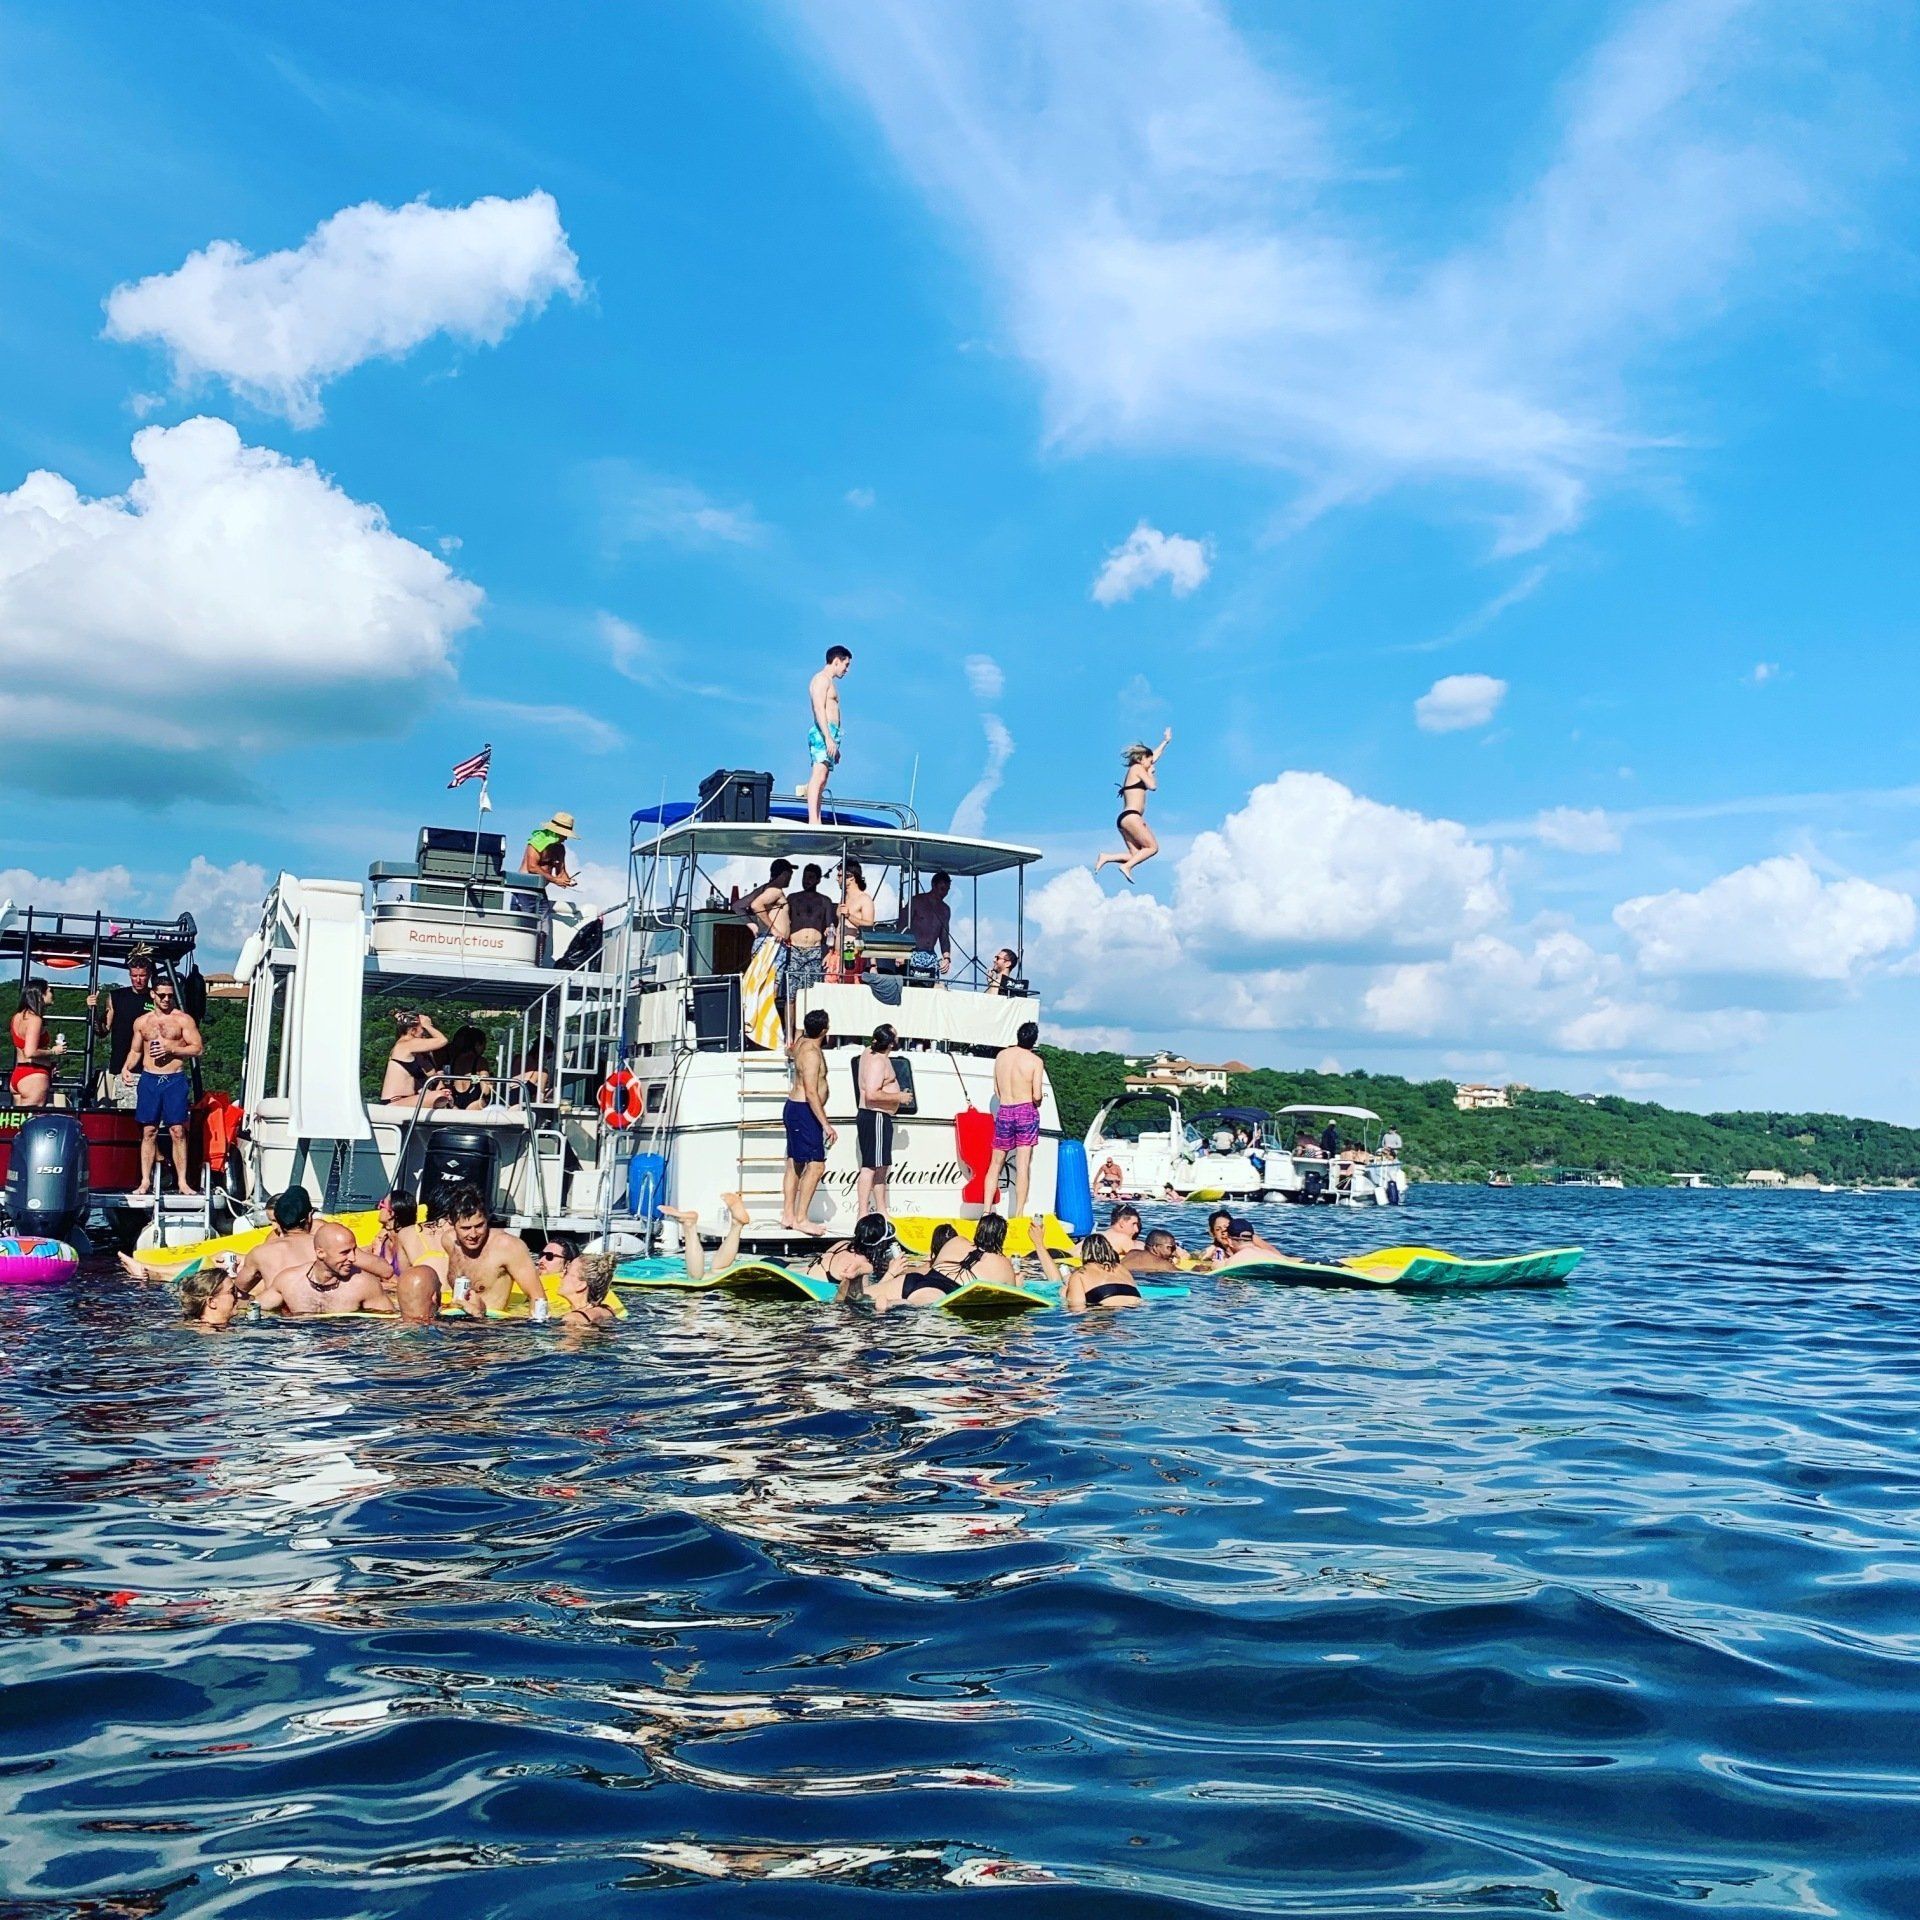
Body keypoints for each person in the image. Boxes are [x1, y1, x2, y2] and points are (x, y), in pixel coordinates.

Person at [122, 976, 203, 1199]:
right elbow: (136, 1050)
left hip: (174, 1079)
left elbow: (197, 1048)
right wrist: (127, 1067)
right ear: (153, 995)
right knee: (148, 1130)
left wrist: (172, 1049)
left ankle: (182, 1181)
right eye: (162, 995)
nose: (166, 999)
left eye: (170, 995)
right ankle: (145, 1180)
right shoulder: (142, 1022)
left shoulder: (182, 1020)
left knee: (178, 1130)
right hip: (150, 1078)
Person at [443, 1185, 548, 1318]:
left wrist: (538, 1329)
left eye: (479, 1225)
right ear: (451, 1223)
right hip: (454, 1322)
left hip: (490, 1326)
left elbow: (538, 1299)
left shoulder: (507, 1246)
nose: (473, 1234)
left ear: (487, 1219)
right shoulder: (448, 1241)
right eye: (465, 1228)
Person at [254, 1221, 398, 1317]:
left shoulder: (364, 1285)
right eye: (345, 1252)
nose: (353, 1258)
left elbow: (388, 1326)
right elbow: (252, 1310)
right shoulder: (289, 1281)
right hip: (300, 1348)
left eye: (354, 1250)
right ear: (320, 1253)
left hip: (345, 1349)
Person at [984, 1020, 1047, 1219]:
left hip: (1005, 1110)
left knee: (995, 1163)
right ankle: (1018, 1214)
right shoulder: (1035, 1061)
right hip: (1025, 1110)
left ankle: (986, 1210)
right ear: (1034, 1041)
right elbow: (1037, 1095)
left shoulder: (1001, 1056)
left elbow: (997, 1090)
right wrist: (1037, 1102)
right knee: (1022, 1165)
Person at [781, 1008, 836, 1232]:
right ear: (824, 1030)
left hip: (796, 1109)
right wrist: (826, 1125)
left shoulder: (801, 1043)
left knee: (795, 1162)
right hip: (804, 1111)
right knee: (816, 1166)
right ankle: (801, 1219)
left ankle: (788, 1215)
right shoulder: (811, 1053)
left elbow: (789, 1050)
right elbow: (811, 1092)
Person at [1095, 729, 1173, 883]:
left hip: (1124, 819)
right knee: (1152, 848)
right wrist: (1151, 773)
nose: (1151, 764)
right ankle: (1126, 867)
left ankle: (1107, 857)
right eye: (1149, 761)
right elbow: (1152, 786)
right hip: (1132, 817)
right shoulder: (1137, 768)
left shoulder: (1137, 768)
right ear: (1142, 759)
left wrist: (1165, 741)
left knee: (1136, 855)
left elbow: (1154, 756)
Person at [89, 952, 153, 1110]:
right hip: (121, 1064)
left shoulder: (156, 998)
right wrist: (93, 1010)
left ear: (149, 975)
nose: (138, 980)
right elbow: (103, 1031)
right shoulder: (117, 996)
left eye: (142, 976)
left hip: (150, 1065)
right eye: (134, 976)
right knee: (124, 1109)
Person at [741, 860, 794, 1052]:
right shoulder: (775, 891)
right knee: (768, 988)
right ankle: (764, 1036)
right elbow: (756, 905)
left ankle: (764, 1034)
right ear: (783, 874)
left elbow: (739, 905)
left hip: (773, 944)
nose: (790, 878)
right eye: (789, 874)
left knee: (767, 989)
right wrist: (774, 930)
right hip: (772, 944)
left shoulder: (771, 890)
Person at [855, 1024, 907, 1219]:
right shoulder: (878, 1061)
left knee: (881, 1166)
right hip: (875, 1115)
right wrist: (899, 1097)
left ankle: (881, 1210)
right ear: (891, 1043)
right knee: (870, 1167)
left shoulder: (868, 1052)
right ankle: (862, 1213)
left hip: (876, 1117)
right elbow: (871, 1093)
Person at [1032, 1230, 1144, 1312]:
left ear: (1083, 1254)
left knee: (1063, 1291)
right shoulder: (1121, 1269)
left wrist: (1065, 1292)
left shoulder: (1080, 1274)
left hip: (1104, 1310)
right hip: (1135, 1308)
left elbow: (1076, 1308)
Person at [804, 646, 853, 825]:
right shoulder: (821, 679)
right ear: (837, 660)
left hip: (831, 733)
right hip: (822, 732)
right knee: (818, 774)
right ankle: (813, 820)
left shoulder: (830, 682)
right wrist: (827, 737)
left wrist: (834, 743)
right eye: (846, 665)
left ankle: (816, 818)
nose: (846, 670)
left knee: (823, 777)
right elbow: (819, 708)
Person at [785, 864, 836, 1022]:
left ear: (818, 880)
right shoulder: (792, 898)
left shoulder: (825, 901)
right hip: (794, 950)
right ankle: (790, 1032)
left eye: (811, 878)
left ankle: (807, 1030)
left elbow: (830, 928)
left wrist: (829, 951)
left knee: (811, 995)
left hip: (814, 951)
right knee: (791, 995)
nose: (806, 881)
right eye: (805, 877)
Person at [9, 980, 62, 1108]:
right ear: (40, 994)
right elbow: (30, 1052)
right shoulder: (34, 1019)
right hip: (34, 1075)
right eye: (50, 990)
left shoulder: (17, 1017)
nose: (53, 994)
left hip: (19, 1072)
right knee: (33, 1118)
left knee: (18, 1119)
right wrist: (53, 1051)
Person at [381, 1009, 449, 1105]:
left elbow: (417, 1084)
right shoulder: (406, 1044)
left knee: (443, 1096)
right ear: (413, 1031)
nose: (424, 1033)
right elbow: (442, 1041)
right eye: (423, 1030)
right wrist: (427, 1025)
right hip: (395, 1101)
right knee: (439, 1096)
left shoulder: (403, 1047)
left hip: (404, 1099)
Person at [901, 872, 953, 980]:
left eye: (947, 890)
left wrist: (946, 958)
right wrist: (900, 953)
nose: (944, 893)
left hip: (930, 955)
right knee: (911, 985)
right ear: (933, 885)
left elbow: (944, 937)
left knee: (931, 985)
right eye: (942, 889)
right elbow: (902, 926)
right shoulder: (917, 901)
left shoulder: (945, 910)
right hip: (912, 953)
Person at [833, 860, 875, 981]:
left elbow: (869, 926)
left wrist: (849, 916)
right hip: (836, 955)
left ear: (850, 877)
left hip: (852, 954)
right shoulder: (843, 898)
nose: (837, 879)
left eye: (840, 875)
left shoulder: (864, 899)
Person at [557, 1250, 618, 1329]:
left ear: (581, 1285)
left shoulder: (573, 1319)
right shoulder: (607, 1310)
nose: (561, 1276)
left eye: (566, 1272)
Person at [438, 1026, 495, 1110]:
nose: (484, 1049)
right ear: (477, 1044)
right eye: (484, 1044)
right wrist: (492, 1083)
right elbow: (486, 1090)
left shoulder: (452, 1061)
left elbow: (447, 1085)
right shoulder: (480, 1061)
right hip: (475, 1103)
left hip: (455, 1101)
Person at [522, 811, 578, 888]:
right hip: (524, 885)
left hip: (540, 888)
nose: (566, 838)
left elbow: (561, 872)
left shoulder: (560, 849)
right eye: (564, 835)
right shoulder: (536, 842)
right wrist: (555, 880)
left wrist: (567, 881)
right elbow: (532, 867)